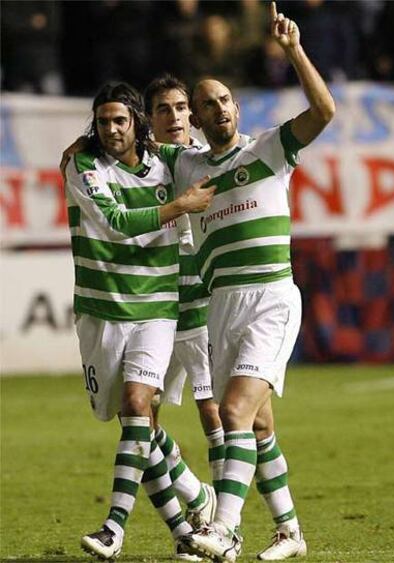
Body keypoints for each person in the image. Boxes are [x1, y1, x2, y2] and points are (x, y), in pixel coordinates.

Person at [159, 3, 336, 561]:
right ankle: (290, 532)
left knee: (231, 414)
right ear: (199, 118)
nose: (217, 108)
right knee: (257, 426)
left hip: (270, 298)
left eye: (223, 99)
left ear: (237, 107)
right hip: (220, 306)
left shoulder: (269, 150)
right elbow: (125, 148)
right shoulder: (186, 167)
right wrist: (82, 144)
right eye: (205, 104)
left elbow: (325, 111)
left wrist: (292, 49)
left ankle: (226, 528)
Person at [63, 81, 216, 561]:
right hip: (101, 311)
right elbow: (116, 221)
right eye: (104, 121)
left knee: (136, 407)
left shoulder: (168, 162)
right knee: (135, 428)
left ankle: (114, 527)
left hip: (156, 308)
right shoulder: (83, 166)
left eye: (121, 120)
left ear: (137, 124)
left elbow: (214, 160)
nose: (112, 129)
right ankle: (190, 506)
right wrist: (180, 207)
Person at [144, 74, 225, 497]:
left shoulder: (202, 159)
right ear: (148, 118)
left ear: (192, 115)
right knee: (142, 411)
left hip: (197, 294)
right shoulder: (138, 166)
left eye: (180, 107)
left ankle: (227, 520)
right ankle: (196, 493)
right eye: (163, 109)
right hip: (154, 300)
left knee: (211, 408)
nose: (174, 116)